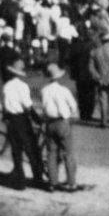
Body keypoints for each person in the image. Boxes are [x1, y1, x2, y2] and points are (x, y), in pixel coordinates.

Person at [1, 58, 45, 190]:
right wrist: (37, 119)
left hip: (11, 119)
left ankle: (20, 181)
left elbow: (4, 105)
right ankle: (38, 178)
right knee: (32, 149)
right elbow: (27, 105)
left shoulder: (6, 86)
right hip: (22, 119)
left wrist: (6, 117)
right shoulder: (23, 86)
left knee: (16, 151)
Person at [40, 63, 83, 193]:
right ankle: (71, 182)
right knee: (68, 153)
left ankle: (52, 182)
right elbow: (73, 106)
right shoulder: (64, 90)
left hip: (49, 123)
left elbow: (43, 106)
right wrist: (70, 115)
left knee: (51, 153)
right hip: (62, 122)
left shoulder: (44, 90)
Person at [88, 29, 109, 128]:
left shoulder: (94, 52)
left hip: (100, 79)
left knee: (103, 100)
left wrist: (98, 77)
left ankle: (104, 121)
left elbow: (91, 67)